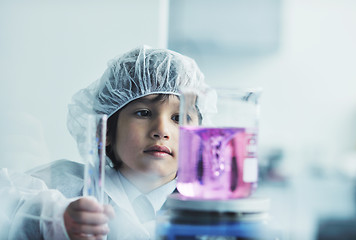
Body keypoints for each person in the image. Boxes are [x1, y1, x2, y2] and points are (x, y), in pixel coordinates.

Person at [2, 45, 207, 239]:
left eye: (179, 118)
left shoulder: (213, 207)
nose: (162, 130)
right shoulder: (61, 190)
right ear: (105, 130)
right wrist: (52, 221)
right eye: (143, 113)